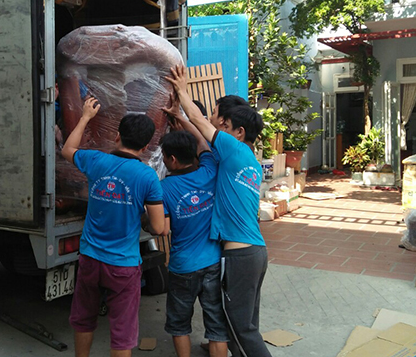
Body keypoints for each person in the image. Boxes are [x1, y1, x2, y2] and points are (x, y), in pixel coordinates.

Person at [166, 65, 271, 357]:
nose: (216, 126)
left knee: (241, 327)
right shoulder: (249, 159)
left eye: (222, 124)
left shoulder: (233, 149)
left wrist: (182, 90)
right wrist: (179, 117)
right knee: (247, 322)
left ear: (238, 132)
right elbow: (201, 140)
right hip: (256, 251)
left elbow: (200, 124)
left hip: (238, 254)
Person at [61, 96, 166, 357]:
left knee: (84, 318)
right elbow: (156, 225)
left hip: (90, 257)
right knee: (122, 332)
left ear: (117, 137)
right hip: (123, 265)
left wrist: (85, 116)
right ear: (145, 146)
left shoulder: (97, 161)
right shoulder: (147, 176)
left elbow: (67, 149)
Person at [158, 107, 228, 357]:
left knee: (179, 324)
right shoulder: (209, 171)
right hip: (212, 263)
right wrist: (184, 121)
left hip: (183, 267)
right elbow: (202, 142)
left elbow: (162, 229)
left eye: (165, 156)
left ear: (172, 160)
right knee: (216, 325)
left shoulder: (164, 188)